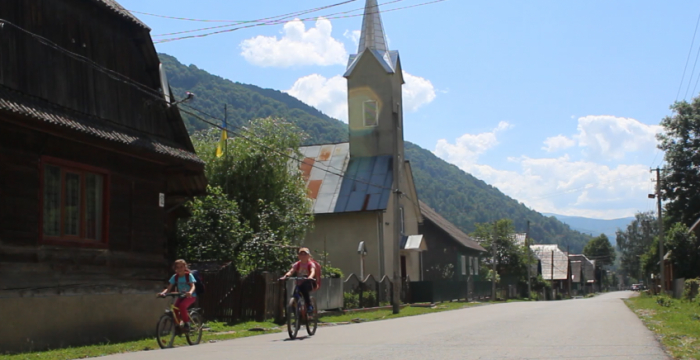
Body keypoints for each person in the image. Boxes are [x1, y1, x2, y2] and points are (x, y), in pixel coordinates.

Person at [159, 259, 197, 330]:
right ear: (175, 268)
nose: (179, 269)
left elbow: (193, 286)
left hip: (190, 296)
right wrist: (163, 293)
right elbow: (169, 288)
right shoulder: (175, 277)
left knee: (182, 306)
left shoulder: (188, 275)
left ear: (185, 267)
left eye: (181, 267)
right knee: (175, 309)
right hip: (181, 296)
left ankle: (187, 323)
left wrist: (190, 292)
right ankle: (178, 325)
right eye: (177, 267)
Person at [280, 247, 316, 313]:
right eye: (301, 254)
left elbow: (312, 271)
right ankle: (296, 312)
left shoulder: (310, 264)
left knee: (305, 293)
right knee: (295, 295)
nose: (303, 256)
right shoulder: (297, 264)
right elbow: (291, 271)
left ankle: (309, 306)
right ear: (298, 256)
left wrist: (310, 277)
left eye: (305, 254)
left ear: (308, 256)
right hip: (298, 283)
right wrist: (285, 276)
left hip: (307, 283)